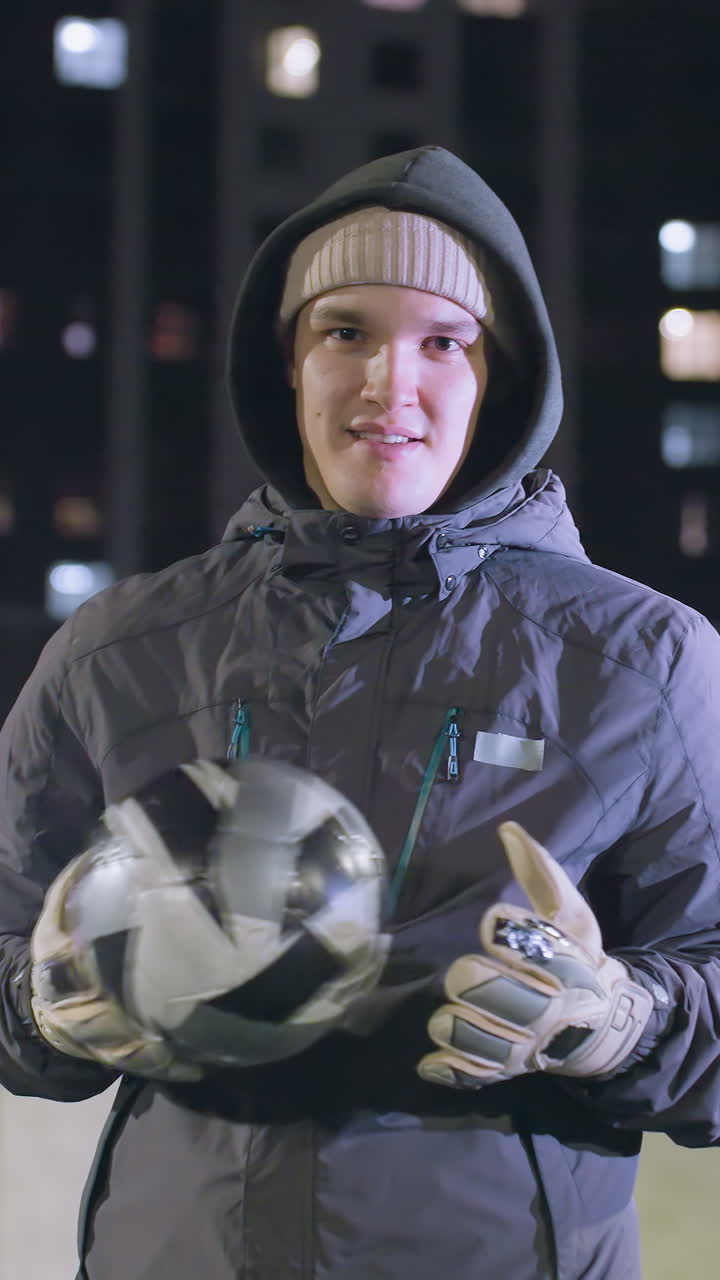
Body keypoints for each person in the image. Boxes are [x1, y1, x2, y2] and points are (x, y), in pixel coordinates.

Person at [1, 145, 720, 1280]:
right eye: (345, 330)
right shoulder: (119, 653)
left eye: (446, 340)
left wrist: (619, 1016)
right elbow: (10, 951)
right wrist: (45, 1000)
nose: (392, 382)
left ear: (506, 375)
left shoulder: (642, 663)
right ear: (287, 360)